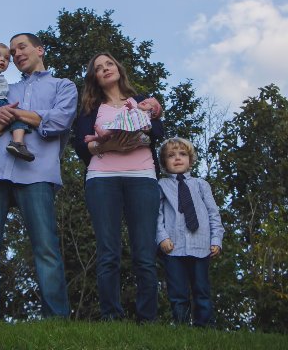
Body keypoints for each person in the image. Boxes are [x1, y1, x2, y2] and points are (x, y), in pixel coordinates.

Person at [0, 32, 78, 320]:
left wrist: (15, 115)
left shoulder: (63, 86)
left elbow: (59, 120)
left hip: (38, 172)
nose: (16, 54)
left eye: (22, 47)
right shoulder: (2, 87)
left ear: (39, 49)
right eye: (11, 51)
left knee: (45, 248)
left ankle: (56, 321)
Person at [73, 52, 164, 322]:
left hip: (143, 177)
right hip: (102, 178)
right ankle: (111, 315)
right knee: (108, 251)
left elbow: (157, 133)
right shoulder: (90, 110)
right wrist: (107, 144)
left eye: (108, 64)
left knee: (145, 251)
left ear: (118, 69)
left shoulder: (141, 101)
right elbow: (81, 146)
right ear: (95, 78)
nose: (105, 69)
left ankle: (148, 319)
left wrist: (139, 132)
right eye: (98, 68)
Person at [156, 137, 224, 327]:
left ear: (190, 159)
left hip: (201, 245)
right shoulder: (161, 185)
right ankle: (181, 327)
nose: (177, 158)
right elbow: (156, 215)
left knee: (201, 289)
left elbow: (213, 213)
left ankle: (205, 327)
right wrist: (162, 237)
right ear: (164, 162)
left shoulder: (201, 185)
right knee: (177, 292)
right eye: (171, 155)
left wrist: (216, 239)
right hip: (173, 248)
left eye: (182, 154)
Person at [83, 97, 162, 145]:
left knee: (116, 130)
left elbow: (156, 131)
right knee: (115, 130)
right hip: (126, 129)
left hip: (134, 135)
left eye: (149, 104)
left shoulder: (147, 115)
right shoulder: (137, 110)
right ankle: (98, 138)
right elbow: (134, 111)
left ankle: (102, 135)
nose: (145, 101)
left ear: (152, 112)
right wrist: (130, 107)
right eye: (144, 100)